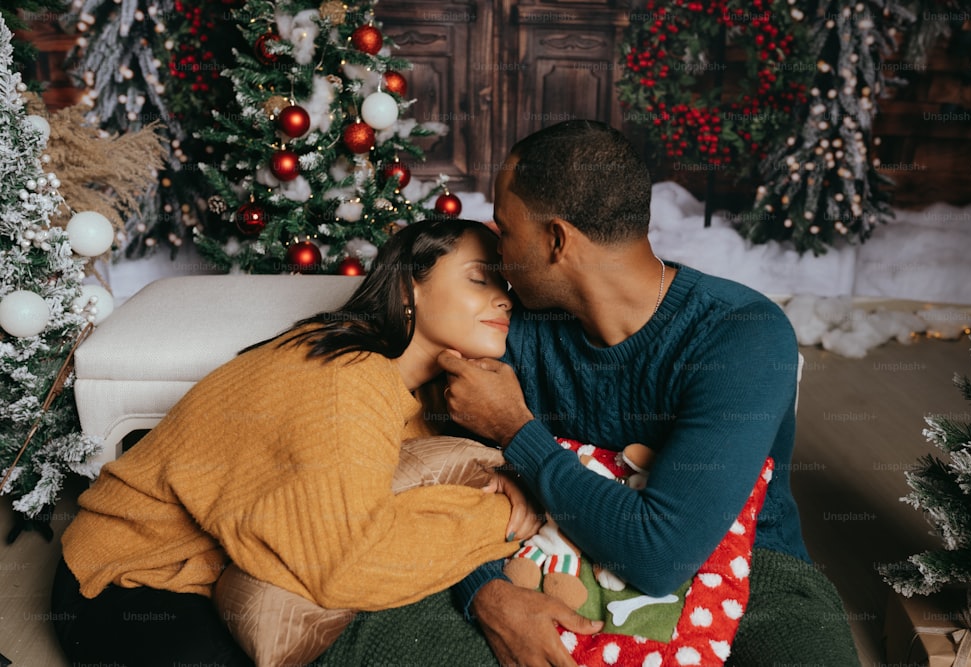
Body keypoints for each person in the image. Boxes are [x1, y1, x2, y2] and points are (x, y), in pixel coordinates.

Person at [319, 120, 861, 667]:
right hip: (540, 554)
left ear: (556, 240)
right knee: (365, 636)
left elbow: (660, 554)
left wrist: (515, 430)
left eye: (505, 231)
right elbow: (444, 489)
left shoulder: (742, 332)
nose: (497, 251)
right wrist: (488, 592)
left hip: (742, 563)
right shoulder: (509, 326)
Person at [50, 218, 541, 667]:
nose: (505, 299)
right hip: (129, 577)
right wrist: (502, 518)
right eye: (481, 278)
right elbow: (348, 564)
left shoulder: (423, 388)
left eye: (506, 284)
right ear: (409, 287)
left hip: (223, 568)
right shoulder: (344, 377)